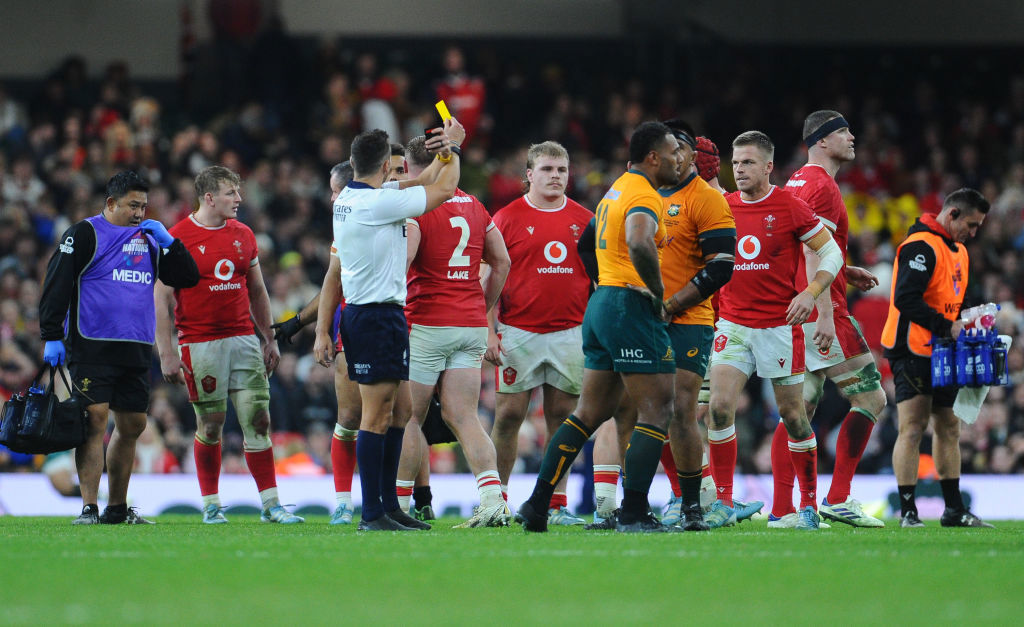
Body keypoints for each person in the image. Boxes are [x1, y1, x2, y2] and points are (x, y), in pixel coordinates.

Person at [517, 121, 683, 533]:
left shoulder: (616, 189)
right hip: (630, 306)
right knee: (657, 409)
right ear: (653, 157)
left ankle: (537, 504)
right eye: (674, 152)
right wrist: (657, 290)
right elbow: (640, 240)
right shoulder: (645, 194)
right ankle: (634, 511)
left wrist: (603, 280)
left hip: (602, 304)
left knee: (589, 412)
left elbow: (586, 242)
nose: (680, 160)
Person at [312, 120, 464, 531]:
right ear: (384, 169)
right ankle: (371, 513)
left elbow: (429, 176)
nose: (399, 175)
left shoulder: (359, 195)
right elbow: (445, 189)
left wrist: (443, 154)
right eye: (395, 169)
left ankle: (389, 506)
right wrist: (455, 149)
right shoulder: (374, 204)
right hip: (375, 316)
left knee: (400, 411)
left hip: (383, 315)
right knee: (375, 416)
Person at [39, 170, 199, 525]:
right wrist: (51, 333)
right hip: (92, 343)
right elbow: (56, 282)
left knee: (133, 426)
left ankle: (116, 508)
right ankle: (88, 507)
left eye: (143, 206)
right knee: (94, 420)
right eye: (132, 206)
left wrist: (170, 242)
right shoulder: (84, 233)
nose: (140, 213)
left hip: (136, 347)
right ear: (111, 203)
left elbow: (187, 277)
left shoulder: (151, 238)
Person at [707, 131, 844, 530]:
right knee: (718, 409)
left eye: (748, 163)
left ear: (768, 166)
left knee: (793, 416)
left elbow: (830, 250)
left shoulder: (790, 205)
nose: (740, 170)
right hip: (732, 324)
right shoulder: (723, 207)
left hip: (779, 327)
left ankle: (808, 505)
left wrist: (812, 291)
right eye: (735, 163)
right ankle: (724, 501)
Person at [154, 165, 303, 524]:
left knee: (259, 419)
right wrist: (168, 352)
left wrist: (269, 336)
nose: (238, 199)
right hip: (199, 343)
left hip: (242, 339)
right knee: (211, 423)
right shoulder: (177, 239)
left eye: (238, 192)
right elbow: (161, 298)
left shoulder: (244, 235)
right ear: (209, 198)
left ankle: (271, 505)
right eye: (230, 193)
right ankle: (211, 505)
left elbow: (257, 290)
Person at [770, 111, 888, 528]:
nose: (852, 136)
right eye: (843, 131)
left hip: (794, 307)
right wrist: (823, 312)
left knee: (796, 410)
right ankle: (838, 498)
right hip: (824, 311)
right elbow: (810, 251)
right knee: (872, 400)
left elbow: (799, 245)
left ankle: (782, 509)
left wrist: (845, 268)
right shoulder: (821, 186)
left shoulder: (796, 183)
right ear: (821, 140)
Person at [395, 134, 511, 528]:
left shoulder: (418, 209)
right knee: (465, 417)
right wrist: (484, 305)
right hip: (470, 325)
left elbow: (403, 263)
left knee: (410, 418)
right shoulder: (475, 205)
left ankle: (397, 505)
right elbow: (503, 261)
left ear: (414, 167)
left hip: (427, 323)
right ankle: (493, 498)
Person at [488, 141, 593, 526]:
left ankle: (555, 503)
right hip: (518, 331)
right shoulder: (506, 218)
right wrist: (488, 330)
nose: (555, 177)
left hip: (570, 332)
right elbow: (489, 278)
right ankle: (496, 500)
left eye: (562, 170)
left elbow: (598, 280)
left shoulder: (585, 219)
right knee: (509, 415)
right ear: (529, 175)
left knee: (563, 418)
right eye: (547, 169)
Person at [881, 188, 993, 528]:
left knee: (949, 425)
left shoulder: (958, 251)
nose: (973, 234)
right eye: (971, 225)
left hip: (943, 349)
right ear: (953, 214)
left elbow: (953, 301)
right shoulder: (920, 246)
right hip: (911, 348)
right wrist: (948, 326)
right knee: (913, 427)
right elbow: (905, 299)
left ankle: (954, 510)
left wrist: (972, 322)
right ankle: (908, 511)